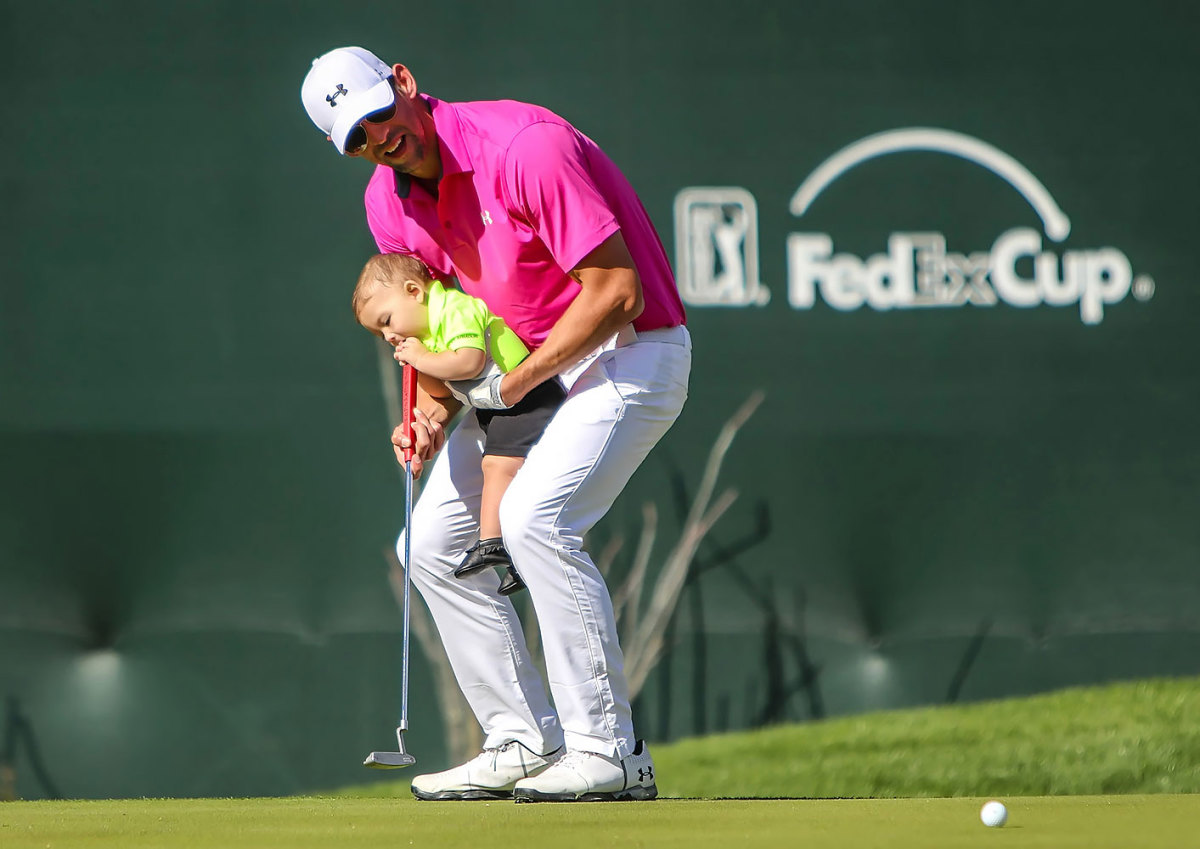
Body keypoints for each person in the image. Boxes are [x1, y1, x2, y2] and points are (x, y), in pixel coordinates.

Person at [302, 45, 691, 803]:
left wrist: (510, 383)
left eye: (379, 115)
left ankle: (608, 749)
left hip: (630, 353)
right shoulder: (387, 204)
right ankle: (521, 738)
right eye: (355, 137)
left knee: (534, 519)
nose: (379, 139)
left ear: (404, 83)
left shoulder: (524, 147)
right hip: (519, 376)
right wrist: (428, 416)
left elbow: (617, 291)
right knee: (431, 548)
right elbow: (444, 325)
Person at [352, 252, 569, 596]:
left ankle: (494, 542)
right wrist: (421, 412)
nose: (389, 334)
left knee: (498, 465)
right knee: (494, 466)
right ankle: (510, 553)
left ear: (414, 291)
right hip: (495, 404)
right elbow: (442, 391)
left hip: (527, 396)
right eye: (380, 332)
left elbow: (469, 362)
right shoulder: (429, 337)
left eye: (388, 320)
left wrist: (422, 359)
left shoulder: (454, 309)